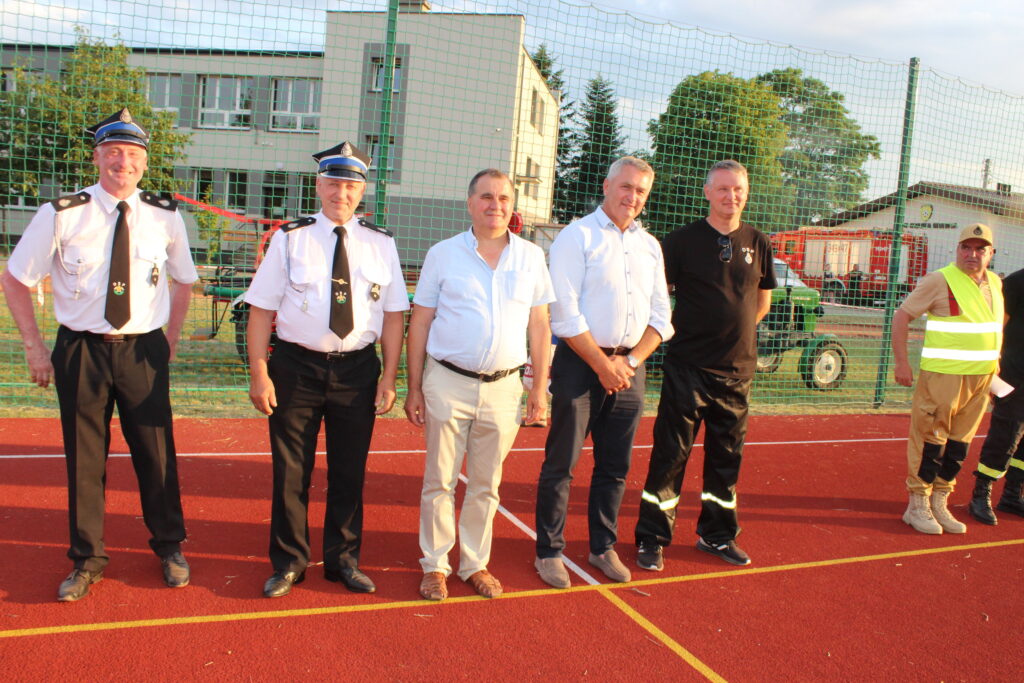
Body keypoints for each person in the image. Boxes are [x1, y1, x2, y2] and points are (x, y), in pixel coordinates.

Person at [1, 108, 197, 601]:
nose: (122, 162)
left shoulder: (165, 215)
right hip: (81, 349)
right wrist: (35, 348)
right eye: (112, 152)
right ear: (96, 158)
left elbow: (184, 280)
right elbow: (15, 279)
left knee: (156, 452)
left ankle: (169, 546)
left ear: (144, 163)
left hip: (143, 350)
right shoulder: (62, 213)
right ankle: (87, 559)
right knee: (84, 458)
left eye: (132, 154)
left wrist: (171, 338)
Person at [244, 142, 408, 598]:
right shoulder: (290, 238)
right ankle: (289, 562)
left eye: (351, 185)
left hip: (357, 371)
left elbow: (394, 315)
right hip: (296, 368)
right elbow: (260, 309)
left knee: (349, 472)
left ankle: (343, 561)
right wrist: (259, 372)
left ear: (362, 191)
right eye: (333, 183)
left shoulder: (381, 243)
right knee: (291, 472)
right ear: (319, 186)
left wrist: (389, 377)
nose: (342, 193)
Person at [404, 169, 554, 601]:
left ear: (513, 205)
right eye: (486, 197)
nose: (496, 205)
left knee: (486, 484)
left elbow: (540, 325)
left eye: (504, 198)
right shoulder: (442, 254)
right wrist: (414, 386)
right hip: (447, 381)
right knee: (440, 481)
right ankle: (435, 565)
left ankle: (473, 564)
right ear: (470, 203)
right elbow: (421, 321)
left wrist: (539, 389)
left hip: (505, 388)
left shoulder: (531, 257)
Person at [534, 156, 673, 588]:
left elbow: (662, 316)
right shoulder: (578, 236)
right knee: (562, 463)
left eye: (641, 191)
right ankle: (549, 551)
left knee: (614, 466)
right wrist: (602, 364)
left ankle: (602, 547)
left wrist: (628, 363)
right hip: (580, 366)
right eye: (626, 187)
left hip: (629, 369)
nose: (633, 197)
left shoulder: (650, 246)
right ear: (607, 185)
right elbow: (564, 312)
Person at [634, 159, 776, 571]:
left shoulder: (759, 242)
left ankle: (716, 536)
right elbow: (658, 297)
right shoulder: (681, 242)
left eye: (738, 189)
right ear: (708, 192)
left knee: (725, 461)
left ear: (746, 193)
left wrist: (734, 335)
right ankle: (652, 538)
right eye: (723, 189)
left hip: (737, 373)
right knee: (670, 456)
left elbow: (762, 302)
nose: (732, 196)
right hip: (687, 368)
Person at [893, 223, 1002, 535]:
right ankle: (917, 504)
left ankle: (940, 499)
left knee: (958, 445)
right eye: (966, 247)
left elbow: (993, 328)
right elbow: (902, 316)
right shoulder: (939, 280)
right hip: (942, 378)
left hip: (980, 380)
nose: (972, 254)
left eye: (980, 249)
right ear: (957, 249)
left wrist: (994, 368)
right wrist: (902, 363)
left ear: (991, 253)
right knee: (931, 441)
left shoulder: (995, 283)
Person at [969, 266, 1024, 524]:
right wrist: (993, 373)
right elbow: (995, 330)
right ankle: (981, 493)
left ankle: (1013, 494)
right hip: (1014, 377)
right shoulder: (1017, 282)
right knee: (1005, 437)